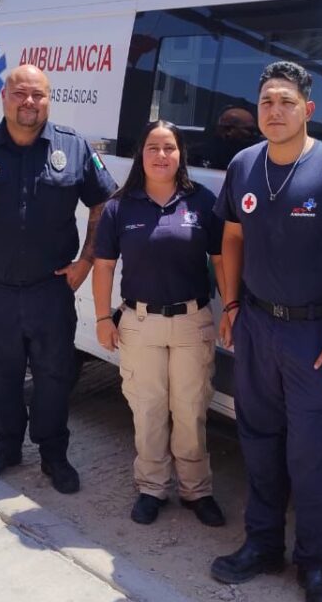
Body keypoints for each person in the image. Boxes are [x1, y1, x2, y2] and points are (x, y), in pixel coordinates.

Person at [210, 61, 322, 602]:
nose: (274, 111)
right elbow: (231, 238)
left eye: (285, 102)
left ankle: (314, 565)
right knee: (259, 445)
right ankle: (262, 544)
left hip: (316, 337)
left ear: (307, 109)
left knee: (314, 455)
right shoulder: (244, 164)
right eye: (266, 102)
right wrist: (233, 301)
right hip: (258, 328)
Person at [0, 64, 117, 494]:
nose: (29, 102)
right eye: (21, 94)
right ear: (4, 97)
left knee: (55, 375)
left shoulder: (72, 146)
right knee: (0, 375)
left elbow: (103, 203)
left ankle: (54, 454)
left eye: (38, 95)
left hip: (52, 290)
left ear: (49, 100)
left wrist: (86, 261)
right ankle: (6, 448)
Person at [91, 120, 227, 527]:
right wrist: (102, 317)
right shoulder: (120, 206)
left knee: (190, 409)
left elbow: (221, 260)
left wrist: (232, 306)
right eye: (153, 147)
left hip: (192, 322)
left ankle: (196, 490)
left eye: (170, 148)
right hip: (140, 321)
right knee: (148, 409)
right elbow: (103, 267)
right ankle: (151, 487)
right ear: (141, 155)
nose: (162, 156)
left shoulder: (202, 202)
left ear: (181, 153)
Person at [191, 105, 260, 169]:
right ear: (228, 130)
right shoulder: (199, 156)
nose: (255, 134)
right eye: (250, 130)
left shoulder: (258, 153)